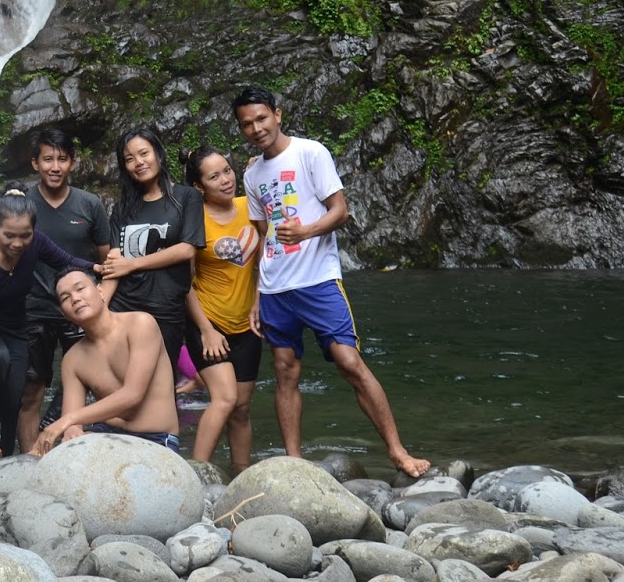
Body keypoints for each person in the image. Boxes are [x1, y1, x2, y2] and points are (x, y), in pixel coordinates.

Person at [234, 85, 430, 477]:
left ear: (278, 114)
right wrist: (257, 292)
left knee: (349, 361)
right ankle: (295, 462)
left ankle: (397, 451)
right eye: (247, 124)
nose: (256, 128)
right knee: (285, 369)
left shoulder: (310, 152)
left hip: (318, 279)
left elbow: (340, 212)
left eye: (261, 118)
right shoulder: (252, 172)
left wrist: (306, 232)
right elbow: (261, 231)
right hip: (275, 286)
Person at [0, 188, 97, 461]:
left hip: (17, 327)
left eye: (25, 235)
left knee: (15, 396)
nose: (18, 243)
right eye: (9, 235)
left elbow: (66, 262)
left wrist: (98, 268)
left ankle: (7, 458)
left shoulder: (37, 244)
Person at [19, 128, 112, 441]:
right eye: (47, 159)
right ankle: (29, 458)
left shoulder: (90, 204)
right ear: (35, 163)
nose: (54, 167)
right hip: (33, 308)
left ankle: (64, 444)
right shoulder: (22, 204)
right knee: (32, 388)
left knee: (85, 381)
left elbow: (106, 261)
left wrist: (103, 300)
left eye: (62, 159)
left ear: (73, 163)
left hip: (80, 310)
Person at [32, 268, 181, 454]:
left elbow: (133, 395)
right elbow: (72, 423)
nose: (75, 298)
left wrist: (67, 421)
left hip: (155, 438)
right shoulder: (73, 359)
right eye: (65, 298)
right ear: (64, 314)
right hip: (104, 435)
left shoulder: (140, 324)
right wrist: (72, 429)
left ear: (101, 291)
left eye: (80, 289)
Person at [183, 145, 263, 469]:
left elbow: (267, 260)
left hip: (248, 323)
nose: (225, 180)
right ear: (199, 187)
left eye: (227, 171)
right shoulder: (195, 220)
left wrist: (259, 300)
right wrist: (206, 330)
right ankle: (197, 475)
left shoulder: (251, 207)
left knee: (242, 408)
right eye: (214, 176)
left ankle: (240, 477)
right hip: (208, 323)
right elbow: (184, 282)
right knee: (226, 398)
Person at [102, 126, 205, 373]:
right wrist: (99, 304)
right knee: (120, 382)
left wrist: (133, 263)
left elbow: (187, 250)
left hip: (165, 309)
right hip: (123, 308)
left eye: (143, 153)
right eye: (129, 159)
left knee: (160, 385)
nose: (138, 162)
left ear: (158, 153)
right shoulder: (122, 208)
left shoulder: (186, 197)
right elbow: (115, 261)